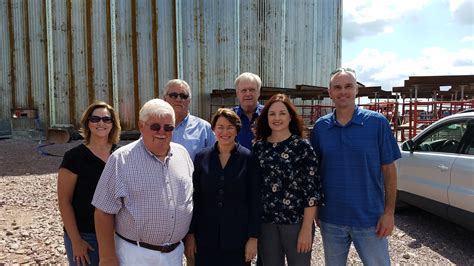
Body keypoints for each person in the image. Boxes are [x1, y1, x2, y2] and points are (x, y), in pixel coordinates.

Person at [310, 68, 401, 266]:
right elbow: (314, 172)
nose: (343, 91)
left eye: (348, 86)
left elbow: (389, 170)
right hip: (331, 218)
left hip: (370, 219)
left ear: (357, 90)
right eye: (338, 87)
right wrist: (316, 209)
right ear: (330, 92)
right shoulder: (320, 127)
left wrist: (389, 213)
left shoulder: (377, 124)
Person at [92, 99, 194, 265]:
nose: (162, 132)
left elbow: (188, 200)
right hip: (136, 254)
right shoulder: (121, 159)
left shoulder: (182, 155)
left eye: (168, 127)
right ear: (141, 126)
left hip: (174, 254)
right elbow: (103, 211)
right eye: (155, 126)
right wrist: (107, 256)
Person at [253, 93, 322, 266]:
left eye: (282, 113)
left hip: (296, 224)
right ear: (266, 117)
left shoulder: (302, 147)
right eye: (272, 113)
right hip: (266, 224)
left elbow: (311, 191)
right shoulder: (259, 148)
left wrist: (306, 229)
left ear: (290, 117)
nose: (277, 118)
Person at [184, 108, 260, 266]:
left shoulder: (249, 159)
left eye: (230, 127)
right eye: (220, 127)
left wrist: (253, 237)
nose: (225, 132)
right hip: (205, 239)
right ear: (213, 129)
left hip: (237, 240)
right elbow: (195, 198)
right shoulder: (201, 158)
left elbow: (255, 200)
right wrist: (190, 234)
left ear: (237, 130)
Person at [57, 101, 121, 266]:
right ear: (87, 123)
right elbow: (64, 202)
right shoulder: (74, 157)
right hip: (86, 235)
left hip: (116, 234)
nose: (101, 123)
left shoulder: (121, 155)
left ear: (113, 124)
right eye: (95, 119)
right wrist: (76, 241)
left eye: (106, 119)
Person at [164, 79, 216, 160]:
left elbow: (217, 157)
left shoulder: (204, 128)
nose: (178, 99)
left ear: (189, 101)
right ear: (165, 99)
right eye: (173, 95)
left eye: (183, 96)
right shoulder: (154, 127)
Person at [232, 72, 264, 150]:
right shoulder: (229, 117)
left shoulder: (268, 115)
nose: (248, 94)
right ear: (237, 94)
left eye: (252, 90)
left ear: (259, 92)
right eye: (243, 90)